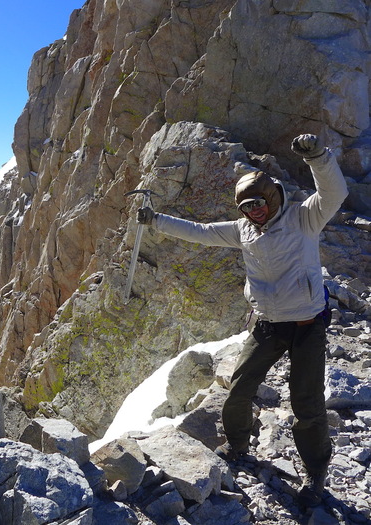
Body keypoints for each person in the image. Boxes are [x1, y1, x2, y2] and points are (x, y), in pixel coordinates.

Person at [136, 134, 348, 507]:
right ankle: (237, 446)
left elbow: (334, 193)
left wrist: (318, 158)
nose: (254, 211)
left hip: (307, 324)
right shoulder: (243, 230)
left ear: (272, 196)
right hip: (268, 322)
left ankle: (315, 472)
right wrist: (156, 221)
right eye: (247, 206)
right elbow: (200, 233)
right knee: (238, 391)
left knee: (307, 403)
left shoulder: (304, 218)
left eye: (259, 202)